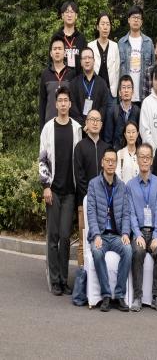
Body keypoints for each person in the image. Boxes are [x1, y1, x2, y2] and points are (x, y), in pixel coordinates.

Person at [38, 88, 82, 297]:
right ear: (56, 104)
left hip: (70, 192)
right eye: (60, 101)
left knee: (65, 237)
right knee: (53, 236)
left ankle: (64, 280)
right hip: (53, 191)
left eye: (66, 100)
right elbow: (42, 160)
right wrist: (46, 186)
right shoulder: (48, 128)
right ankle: (55, 280)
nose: (63, 104)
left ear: (70, 104)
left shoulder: (77, 128)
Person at [85, 147, 134, 313]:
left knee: (128, 250)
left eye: (113, 161)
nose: (111, 163)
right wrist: (96, 235)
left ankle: (119, 294)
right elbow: (91, 212)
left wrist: (125, 233)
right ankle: (106, 294)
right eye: (108, 160)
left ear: (116, 164)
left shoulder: (122, 186)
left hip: (116, 235)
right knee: (97, 252)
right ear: (102, 162)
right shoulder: (93, 184)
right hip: (100, 235)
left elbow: (126, 213)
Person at [124, 143, 157, 312]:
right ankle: (137, 297)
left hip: (154, 230)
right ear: (137, 159)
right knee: (137, 252)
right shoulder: (130, 185)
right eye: (142, 157)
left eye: (148, 157)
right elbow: (131, 213)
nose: (145, 160)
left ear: (152, 160)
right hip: (139, 231)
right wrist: (137, 234)